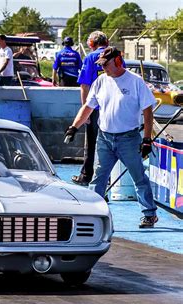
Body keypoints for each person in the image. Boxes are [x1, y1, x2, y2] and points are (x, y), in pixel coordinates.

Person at [64, 47, 158, 228]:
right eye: (101, 65)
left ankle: (149, 214)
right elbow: (88, 107)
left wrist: (147, 139)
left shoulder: (135, 82)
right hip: (105, 138)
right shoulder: (100, 82)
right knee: (98, 178)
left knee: (138, 176)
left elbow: (147, 110)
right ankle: (93, 214)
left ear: (116, 61)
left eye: (105, 64)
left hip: (129, 139)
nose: (103, 68)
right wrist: (74, 127)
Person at [72, 31, 109, 186]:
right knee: (111, 143)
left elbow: (84, 85)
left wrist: (84, 112)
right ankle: (109, 178)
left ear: (92, 43)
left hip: (95, 108)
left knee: (92, 142)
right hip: (112, 108)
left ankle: (86, 176)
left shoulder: (90, 58)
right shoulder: (116, 56)